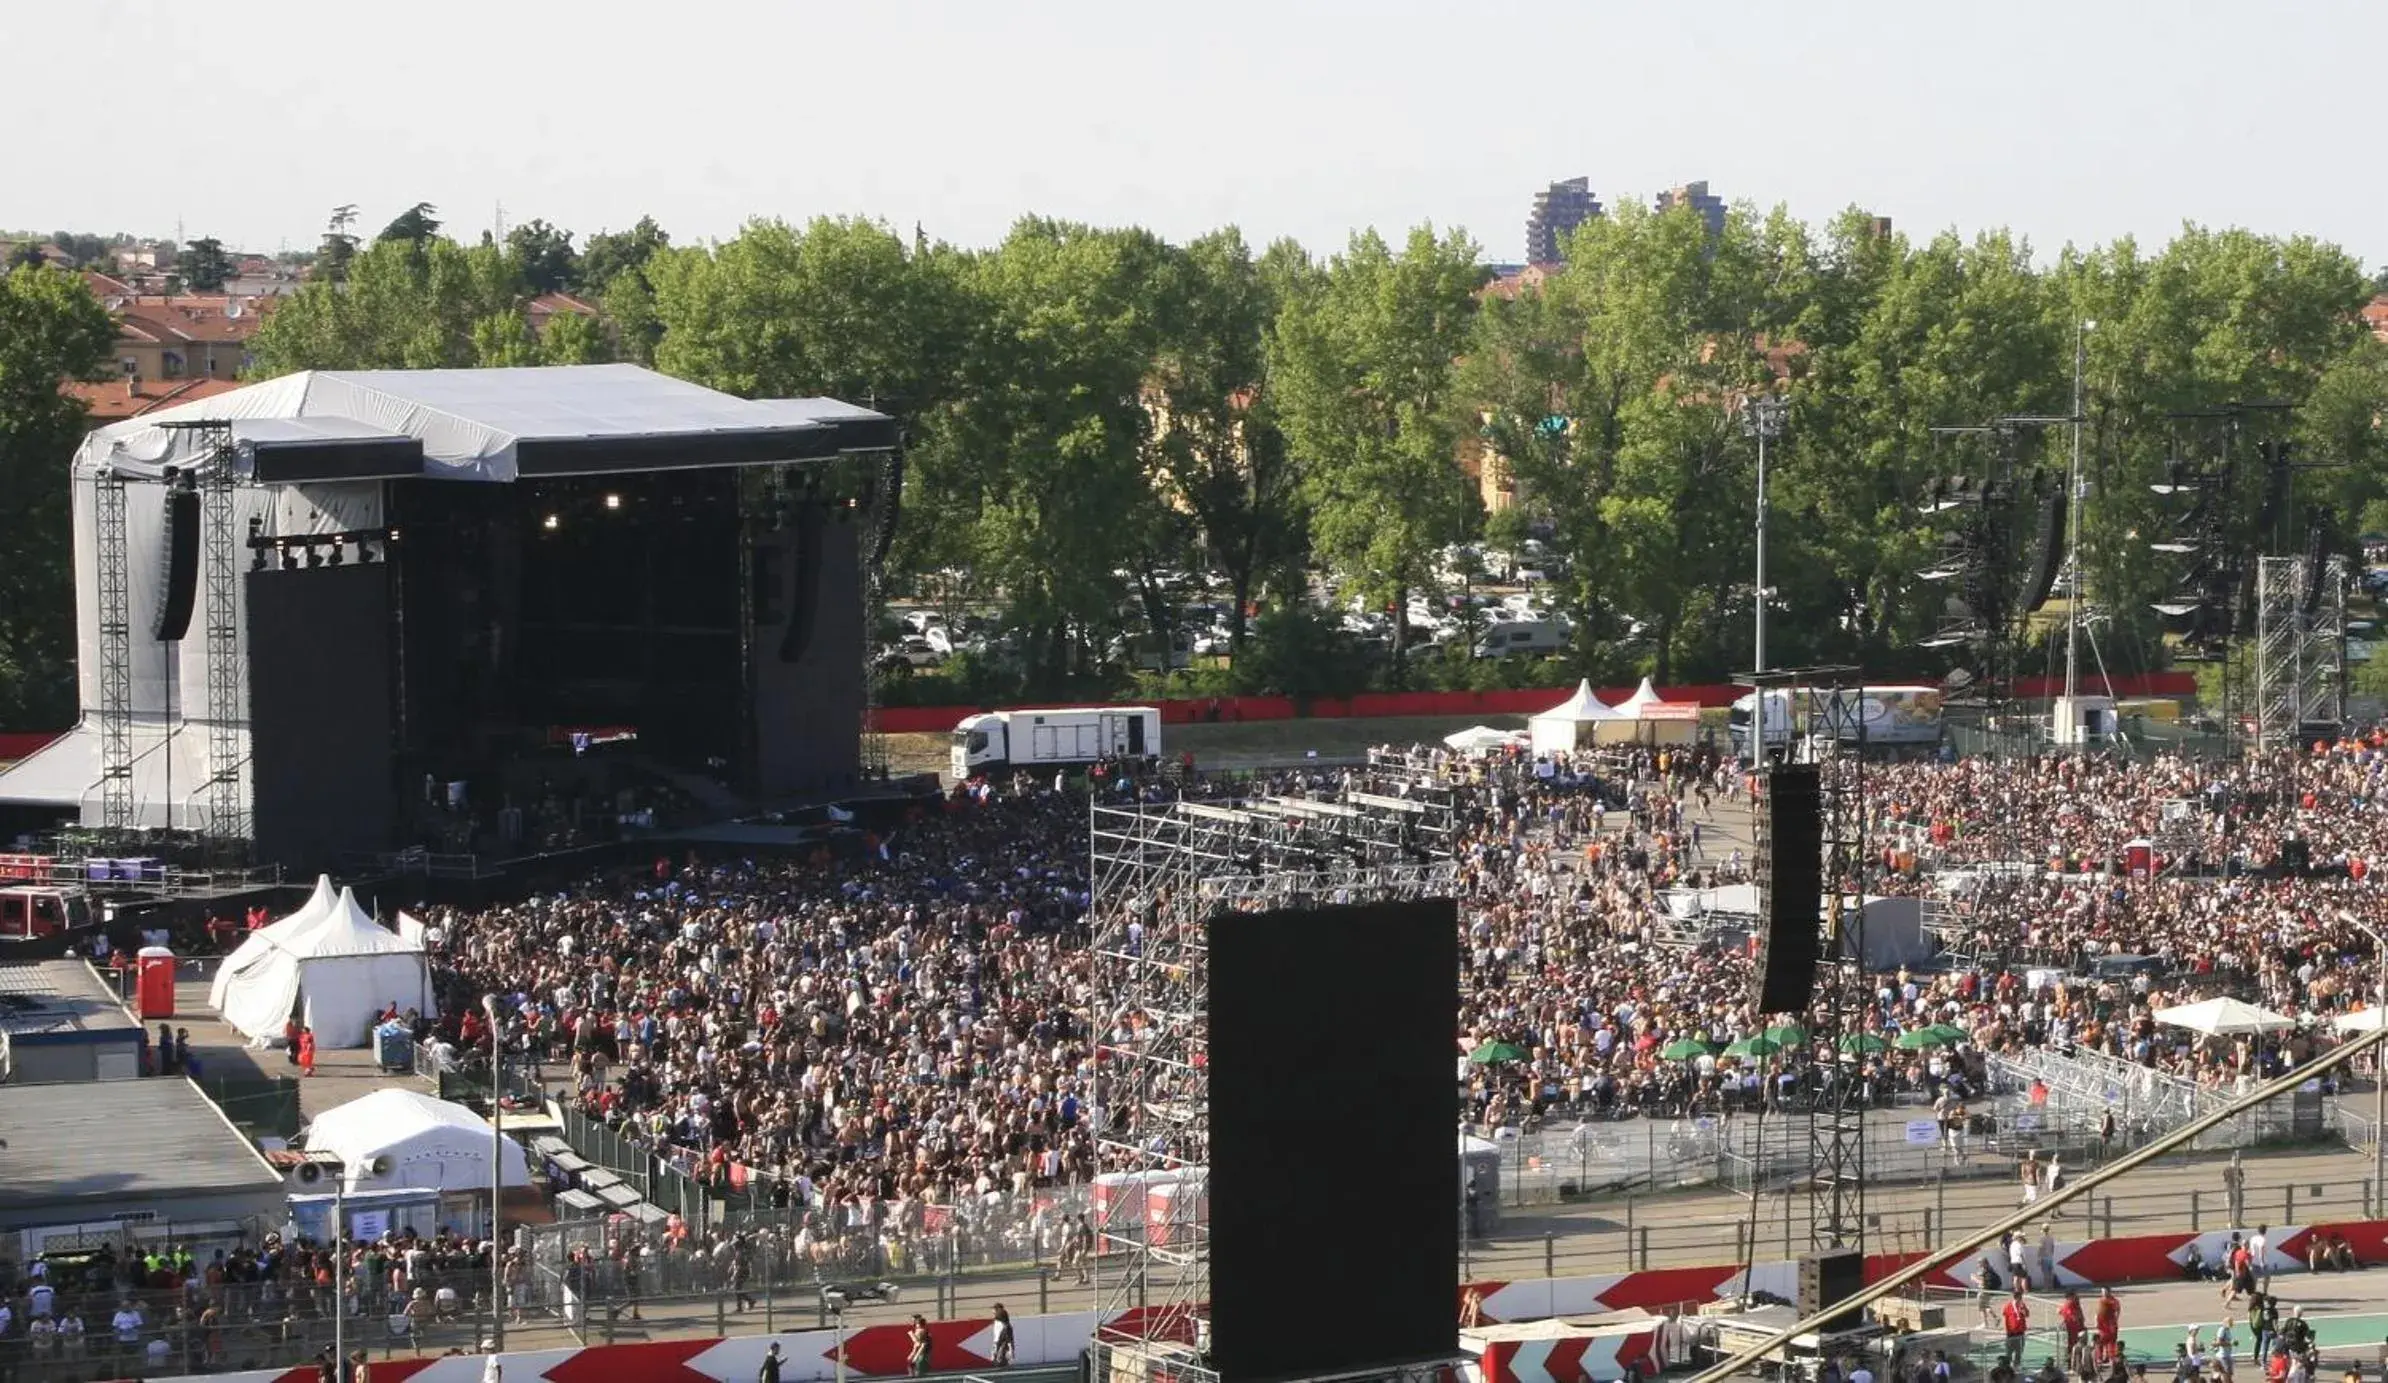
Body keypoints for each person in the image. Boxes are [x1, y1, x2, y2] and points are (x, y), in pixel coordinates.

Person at [2005, 1292, 2033, 1370]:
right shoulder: (2008, 1306)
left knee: (2019, 1350)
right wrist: (2008, 1330)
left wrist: (2023, 1310)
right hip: (2011, 1333)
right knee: (2009, 1351)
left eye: (2020, 1298)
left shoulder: (2022, 1306)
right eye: (2019, 1298)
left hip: (2020, 1332)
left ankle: (2016, 1365)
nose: (2020, 1300)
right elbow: (2006, 1318)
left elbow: (2027, 1315)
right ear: (2015, 1298)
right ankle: (2007, 1365)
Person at [991, 1304, 1015, 1368]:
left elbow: (1009, 1340)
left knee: (1000, 1363)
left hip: (1002, 1347)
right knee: (997, 1362)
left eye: (994, 1312)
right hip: (998, 1344)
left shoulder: (1006, 1327)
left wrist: (1010, 1351)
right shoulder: (998, 1323)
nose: (993, 1314)